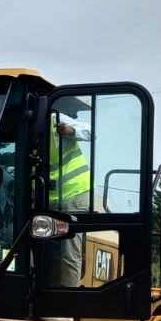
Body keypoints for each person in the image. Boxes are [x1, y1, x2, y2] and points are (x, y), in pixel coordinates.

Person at [50, 118, 92, 287]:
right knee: (49, 252)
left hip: (76, 194)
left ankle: (68, 299)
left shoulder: (54, 119)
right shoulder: (24, 131)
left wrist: (71, 131)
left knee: (69, 252)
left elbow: (91, 131)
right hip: (50, 199)